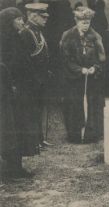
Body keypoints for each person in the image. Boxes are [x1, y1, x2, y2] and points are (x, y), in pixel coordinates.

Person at [60, 6, 106, 143]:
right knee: (74, 105)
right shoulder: (67, 36)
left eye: (88, 22)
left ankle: (91, 135)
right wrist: (79, 69)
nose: (86, 26)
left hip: (92, 79)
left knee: (93, 104)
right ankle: (74, 135)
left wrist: (95, 68)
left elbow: (102, 58)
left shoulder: (96, 36)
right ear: (76, 21)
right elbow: (66, 59)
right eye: (82, 22)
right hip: (74, 78)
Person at [15, 3, 53, 153]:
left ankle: (39, 139)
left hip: (40, 78)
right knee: (31, 110)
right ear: (32, 15)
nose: (46, 19)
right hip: (31, 80)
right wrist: (36, 76)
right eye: (42, 17)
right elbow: (25, 60)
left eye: (45, 16)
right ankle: (33, 141)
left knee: (38, 108)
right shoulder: (26, 33)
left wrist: (46, 72)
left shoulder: (38, 32)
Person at [0, 8, 33, 179]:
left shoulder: (18, 38)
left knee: (20, 128)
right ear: (9, 22)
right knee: (8, 131)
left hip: (20, 91)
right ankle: (7, 168)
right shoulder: (3, 40)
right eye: (18, 19)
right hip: (7, 94)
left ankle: (17, 167)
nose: (22, 22)